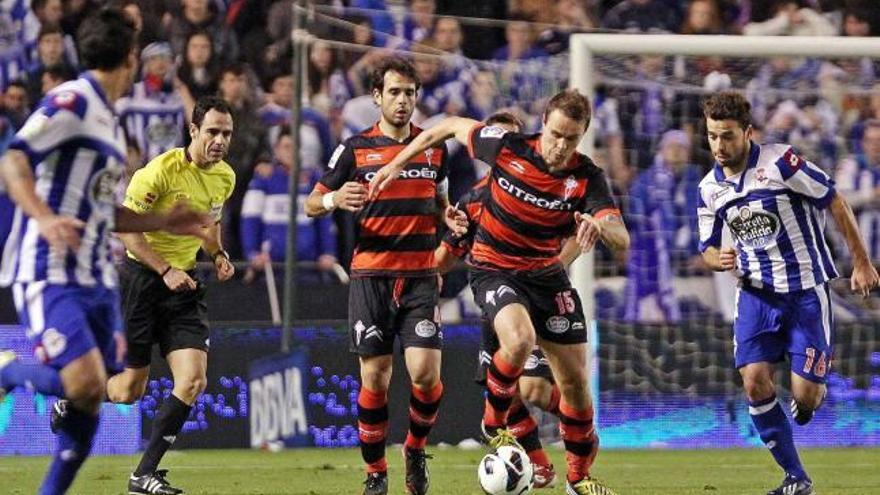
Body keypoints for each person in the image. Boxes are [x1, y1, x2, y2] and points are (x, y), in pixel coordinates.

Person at [371, 89, 630, 495]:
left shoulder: (585, 176)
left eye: (572, 139)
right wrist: (394, 165)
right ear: (544, 121)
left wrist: (600, 226)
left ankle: (578, 479)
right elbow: (448, 128)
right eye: (557, 134)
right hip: (495, 270)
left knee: (576, 387)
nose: (561, 146)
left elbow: (621, 236)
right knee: (521, 339)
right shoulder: (507, 147)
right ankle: (493, 422)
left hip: (547, 278)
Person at [0, 9, 209, 495]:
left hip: (97, 276)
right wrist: (43, 215)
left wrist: (162, 221)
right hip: (49, 268)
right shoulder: (71, 100)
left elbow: (104, 212)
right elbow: (13, 159)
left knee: (99, 394)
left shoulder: (109, 124)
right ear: (132, 57)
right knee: (85, 383)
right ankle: (9, 368)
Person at [697, 92, 879, 495]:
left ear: (747, 132)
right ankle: (796, 477)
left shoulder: (781, 162)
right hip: (757, 296)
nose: (719, 146)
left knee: (806, 397)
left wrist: (861, 262)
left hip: (806, 294)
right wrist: (717, 258)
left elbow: (834, 200)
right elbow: (706, 247)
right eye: (711, 137)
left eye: (727, 136)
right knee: (754, 381)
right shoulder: (709, 188)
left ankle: (811, 395)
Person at [304, 57, 467, 495]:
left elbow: (439, 200)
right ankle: (376, 472)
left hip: (419, 275)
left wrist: (446, 216)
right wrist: (336, 196)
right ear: (376, 97)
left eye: (410, 93)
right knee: (375, 377)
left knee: (425, 374)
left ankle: (414, 449)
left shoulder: (434, 147)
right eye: (394, 92)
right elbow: (311, 203)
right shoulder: (355, 148)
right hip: (371, 276)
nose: (403, 100)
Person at [91, 96, 234, 495]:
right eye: (212, 132)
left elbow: (210, 225)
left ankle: (143, 474)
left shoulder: (225, 177)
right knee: (127, 391)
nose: (220, 141)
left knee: (193, 381)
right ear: (193, 131)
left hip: (184, 287)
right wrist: (165, 269)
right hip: (142, 281)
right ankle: (74, 396)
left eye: (226, 134)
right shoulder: (157, 173)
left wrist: (218, 254)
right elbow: (128, 230)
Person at [434, 111, 578, 489]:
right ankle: (541, 465)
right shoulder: (474, 201)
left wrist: (553, 268)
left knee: (534, 389)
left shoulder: (549, 189)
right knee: (505, 390)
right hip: (493, 301)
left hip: (534, 300)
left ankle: (578, 419)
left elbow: (580, 232)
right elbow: (445, 257)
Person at [240, 125, 337, 280]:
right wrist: (252, 253)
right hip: (271, 270)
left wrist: (328, 252)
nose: (290, 151)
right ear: (277, 149)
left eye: (294, 147)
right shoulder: (263, 179)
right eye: (286, 147)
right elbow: (250, 219)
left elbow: (325, 222)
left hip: (308, 269)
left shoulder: (314, 180)